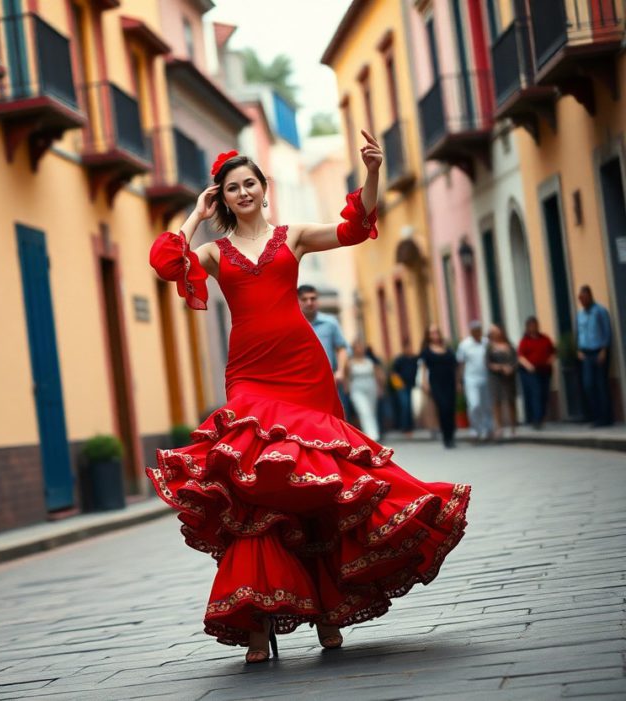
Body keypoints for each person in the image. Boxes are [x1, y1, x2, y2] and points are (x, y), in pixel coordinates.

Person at [147, 132, 470, 664]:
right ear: (222, 197)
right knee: (254, 489)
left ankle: (328, 612)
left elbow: (353, 229)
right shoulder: (210, 249)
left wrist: (371, 173)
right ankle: (256, 623)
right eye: (233, 188)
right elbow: (166, 263)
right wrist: (194, 216)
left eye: (251, 183)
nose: (244, 192)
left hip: (304, 371)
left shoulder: (292, 235)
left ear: (264, 188)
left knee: (319, 484)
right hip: (249, 376)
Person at [298, 284, 351, 416]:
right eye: (304, 299)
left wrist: (340, 372)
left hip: (330, 381)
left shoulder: (330, 322)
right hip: (303, 382)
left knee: (337, 417)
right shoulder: (294, 324)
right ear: (298, 301)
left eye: (313, 298)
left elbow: (342, 348)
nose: (309, 303)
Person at [576, 285, 614, 426]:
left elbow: (607, 331)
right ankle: (595, 415)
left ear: (590, 296)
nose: (582, 301)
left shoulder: (600, 311)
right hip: (585, 354)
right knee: (588, 385)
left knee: (601, 385)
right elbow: (579, 333)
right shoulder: (579, 315)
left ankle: (605, 418)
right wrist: (578, 350)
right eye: (580, 299)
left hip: (599, 352)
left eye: (584, 298)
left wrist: (604, 349)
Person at [420, 325, 458, 448]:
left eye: (436, 332)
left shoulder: (447, 348)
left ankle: (451, 435)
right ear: (428, 336)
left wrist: (458, 382)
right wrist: (424, 382)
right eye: (432, 333)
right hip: (436, 383)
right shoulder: (426, 351)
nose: (434, 335)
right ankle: (446, 436)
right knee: (443, 408)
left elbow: (455, 366)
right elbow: (423, 368)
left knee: (451, 408)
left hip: (450, 381)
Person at [456, 320, 493, 442]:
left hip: (486, 377)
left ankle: (488, 429)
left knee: (486, 405)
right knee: (474, 404)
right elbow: (460, 364)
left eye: (479, 330)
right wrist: (459, 381)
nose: (477, 332)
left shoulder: (485, 343)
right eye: (475, 330)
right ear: (471, 331)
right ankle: (475, 429)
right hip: (471, 379)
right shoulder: (464, 345)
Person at [517, 316, 555, 429]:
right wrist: (529, 366)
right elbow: (520, 356)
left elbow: (553, 352)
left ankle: (541, 417)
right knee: (536, 393)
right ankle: (536, 419)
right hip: (531, 372)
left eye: (536, 325)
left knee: (544, 394)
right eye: (532, 325)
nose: (534, 327)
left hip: (545, 370)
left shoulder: (545, 338)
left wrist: (550, 360)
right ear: (528, 327)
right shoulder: (525, 341)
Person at [344, 339, 384, 441]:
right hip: (357, 389)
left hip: (371, 387)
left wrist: (380, 387)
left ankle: (373, 432)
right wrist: (346, 389)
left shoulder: (370, 361)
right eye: (357, 347)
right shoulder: (350, 363)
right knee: (363, 411)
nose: (360, 349)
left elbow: (377, 375)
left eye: (361, 347)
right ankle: (372, 436)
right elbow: (346, 377)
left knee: (371, 411)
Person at [486, 324, 518, 439]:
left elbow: (515, 360)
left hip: (509, 377)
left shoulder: (509, 346)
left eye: (497, 331)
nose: (496, 334)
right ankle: (499, 427)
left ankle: (513, 427)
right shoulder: (489, 347)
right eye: (493, 332)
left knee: (511, 401)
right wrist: (500, 367)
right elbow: (487, 363)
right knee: (497, 402)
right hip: (496, 378)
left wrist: (511, 368)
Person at [391, 340, 420, 437]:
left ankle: (410, 426)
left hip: (412, 386)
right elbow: (394, 373)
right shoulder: (400, 360)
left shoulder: (415, 359)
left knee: (411, 406)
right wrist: (399, 384)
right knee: (405, 405)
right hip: (402, 387)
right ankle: (405, 427)